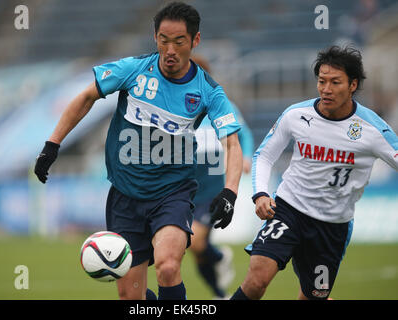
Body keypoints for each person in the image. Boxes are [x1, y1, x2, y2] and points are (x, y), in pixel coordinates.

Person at [34, 1, 243, 300]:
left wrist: (230, 192)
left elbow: (232, 142)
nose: (170, 49)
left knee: (168, 267)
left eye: (179, 41)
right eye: (163, 40)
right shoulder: (133, 70)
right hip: (125, 196)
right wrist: (52, 145)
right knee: (131, 297)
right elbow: (86, 96)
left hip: (173, 193)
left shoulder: (209, 91)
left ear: (195, 41)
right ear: (155, 37)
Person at [230, 45, 398, 300]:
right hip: (288, 210)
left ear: (353, 85)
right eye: (322, 81)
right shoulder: (296, 115)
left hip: (331, 227)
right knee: (257, 278)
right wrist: (261, 194)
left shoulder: (372, 129)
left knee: (313, 297)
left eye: (335, 82)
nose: (326, 89)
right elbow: (264, 156)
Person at [188, 55, 254, 299]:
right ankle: (219, 290)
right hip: (182, 182)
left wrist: (245, 156)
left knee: (195, 242)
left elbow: (243, 133)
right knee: (193, 247)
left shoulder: (219, 102)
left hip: (211, 183)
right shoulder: (175, 104)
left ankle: (218, 267)